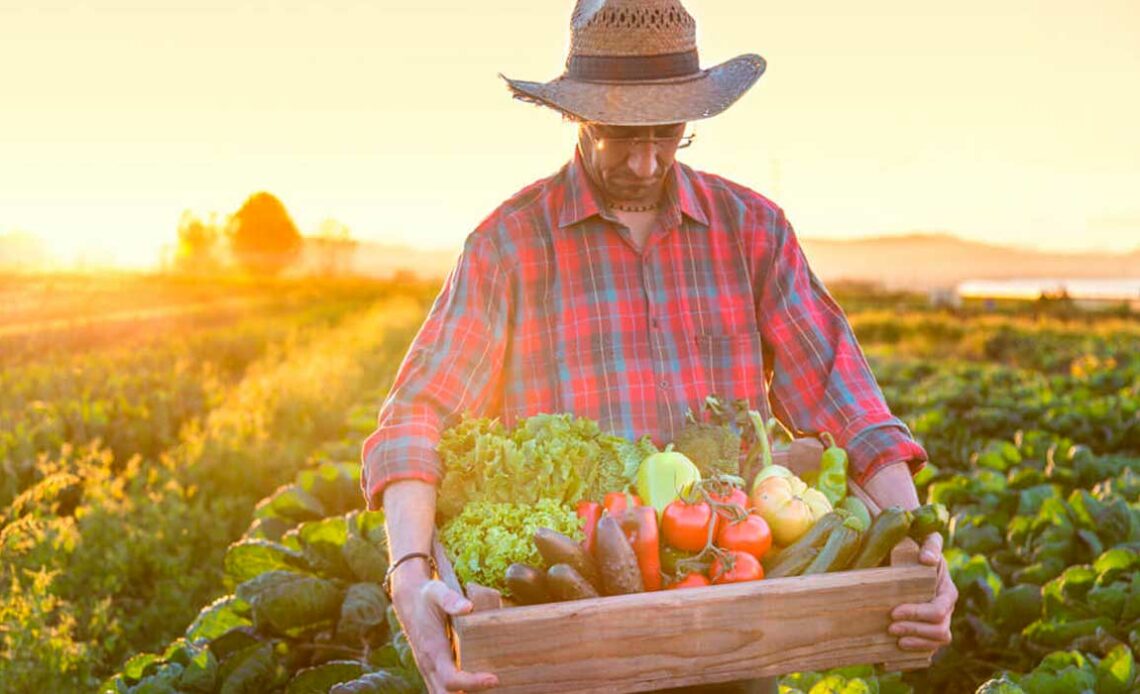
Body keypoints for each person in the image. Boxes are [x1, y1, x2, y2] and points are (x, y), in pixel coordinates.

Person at [361, 1, 958, 692]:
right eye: (619, 134)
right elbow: (416, 417)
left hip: (729, 619)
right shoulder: (510, 244)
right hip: (564, 636)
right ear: (576, 116)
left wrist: (918, 542)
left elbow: (844, 397)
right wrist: (408, 574)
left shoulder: (752, 232)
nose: (646, 161)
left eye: (669, 133)